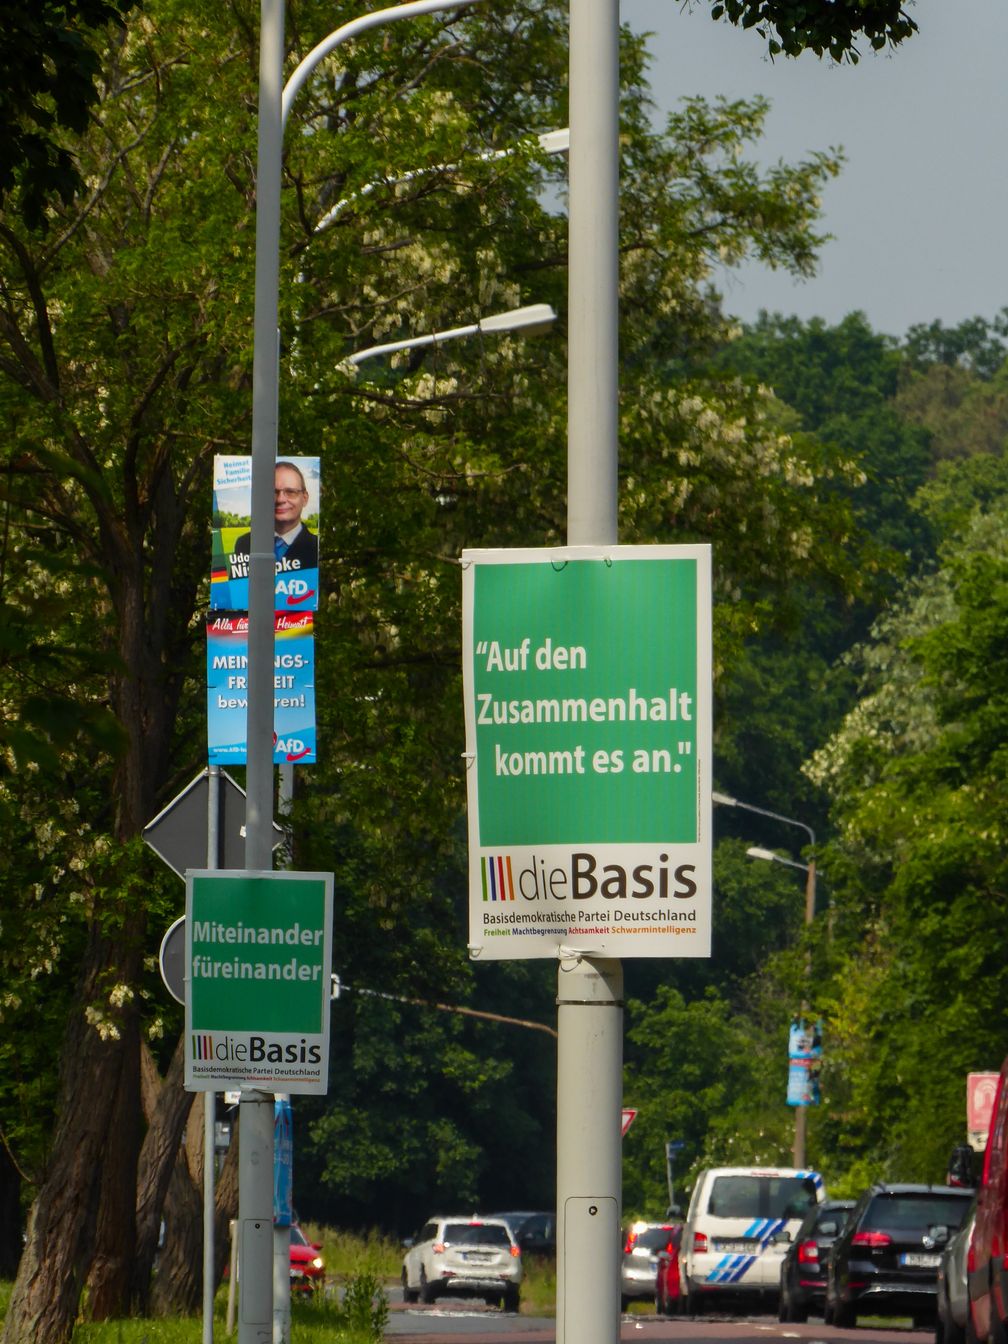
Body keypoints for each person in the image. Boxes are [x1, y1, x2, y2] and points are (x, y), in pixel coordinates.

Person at [233, 461, 318, 571]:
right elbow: (236, 587)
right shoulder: (244, 544)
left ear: (305, 498)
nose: (280, 499)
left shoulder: (316, 546)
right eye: (273, 492)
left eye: (290, 492)